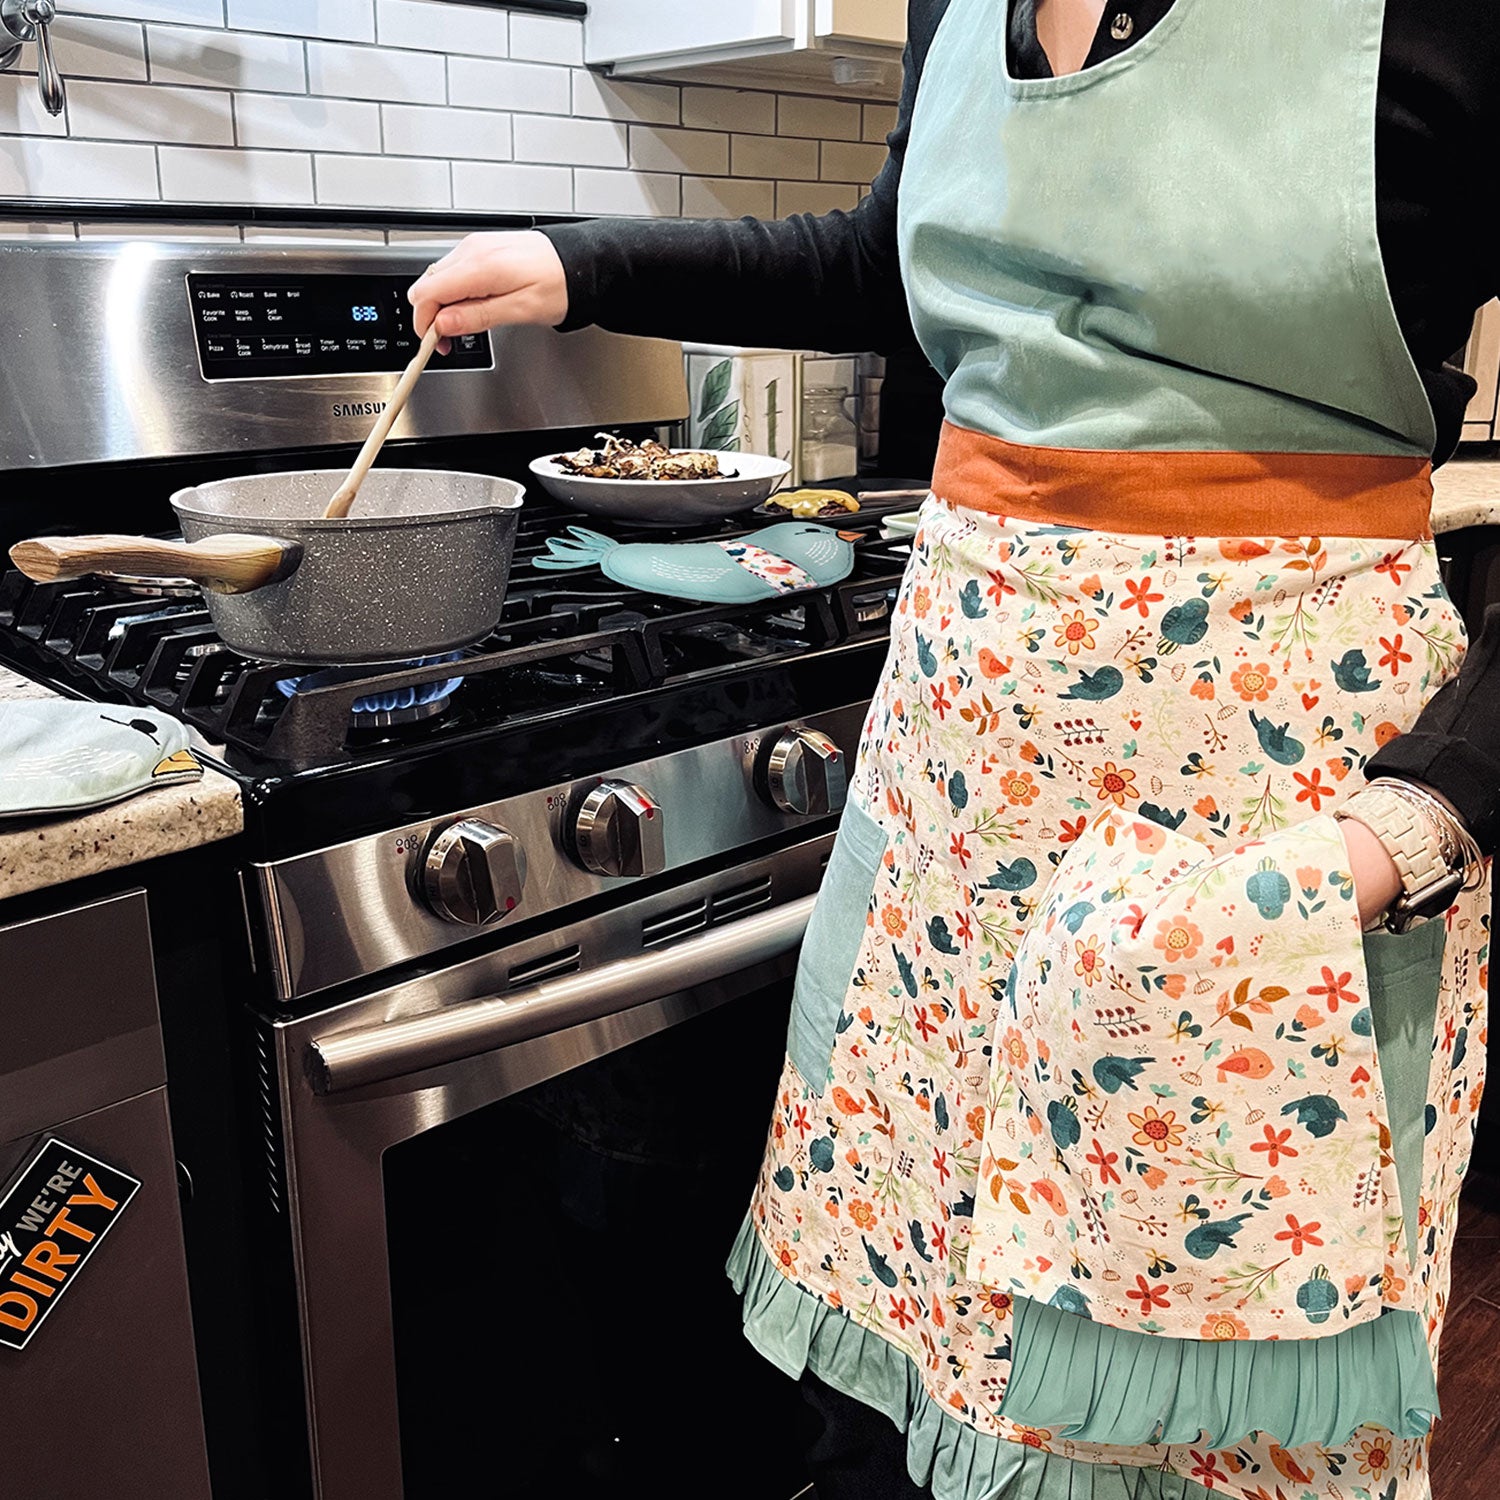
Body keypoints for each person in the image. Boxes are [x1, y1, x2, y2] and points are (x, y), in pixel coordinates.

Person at [410, 2, 1498, 1495]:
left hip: (1259, 845)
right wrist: (582, 269)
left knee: (1194, 1411)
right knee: (924, 1342)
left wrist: (1422, 821)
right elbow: (887, 253)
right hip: (953, 812)